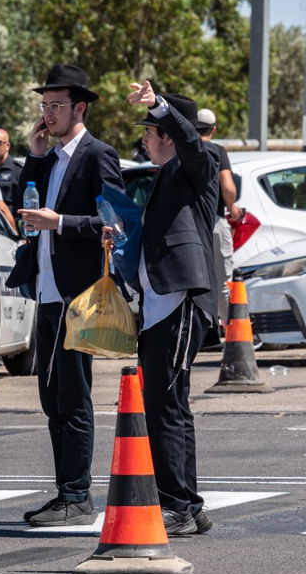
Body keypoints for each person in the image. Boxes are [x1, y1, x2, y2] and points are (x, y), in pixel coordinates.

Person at [14, 64, 124, 527]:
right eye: (44, 105)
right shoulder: (50, 157)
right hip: (46, 291)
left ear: (80, 107)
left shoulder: (99, 155)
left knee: (72, 395)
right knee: (50, 395)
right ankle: (66, 491)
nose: (48, 113)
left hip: (78, 293)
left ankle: (76, 495)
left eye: (57, 106)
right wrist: (36, 157)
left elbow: (114, 224)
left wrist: (60, 223)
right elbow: (24, 207)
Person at [124, 82, 220, 537]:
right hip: (160, 304)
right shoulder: (163, 175)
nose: (144, 140)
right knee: (168, 404)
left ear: (168, 134)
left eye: (150, 131)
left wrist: (159, 106)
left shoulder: (197, 164)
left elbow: (189, 139)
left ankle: (177, 505)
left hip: (181, 299)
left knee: (165, 405)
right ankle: (189, 504)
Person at [195, 107, 239, 326]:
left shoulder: (186, 150)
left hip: (190, 225)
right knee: (223, 282)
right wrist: (232, 208)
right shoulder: (218, 151)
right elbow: (228, 188)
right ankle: (232, 332)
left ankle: (201, 329)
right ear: (213, 129)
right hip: (214, 222)